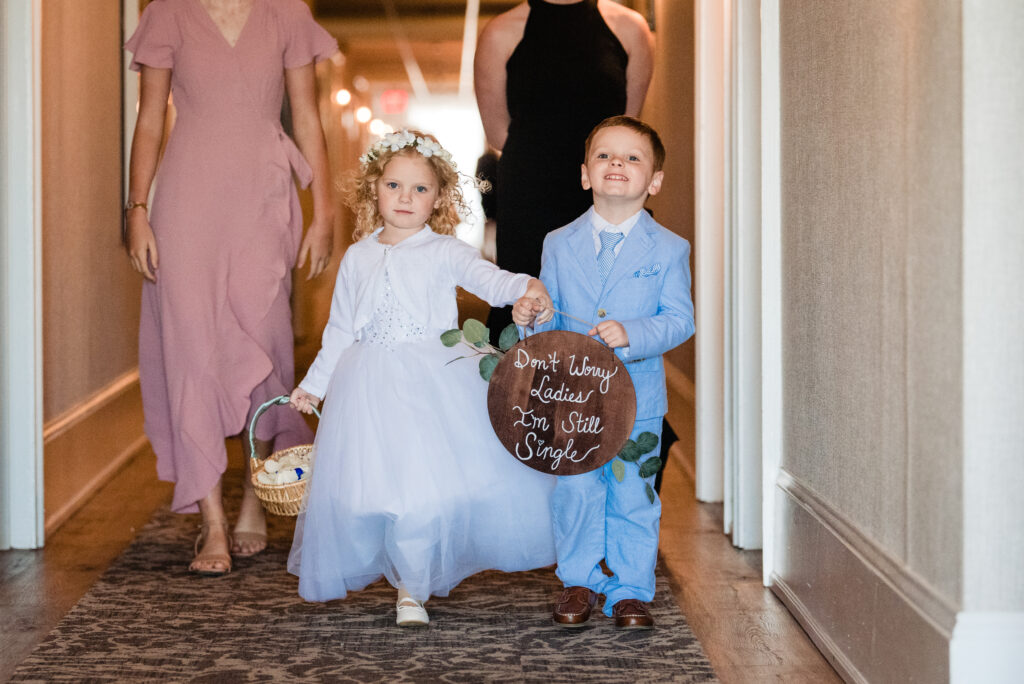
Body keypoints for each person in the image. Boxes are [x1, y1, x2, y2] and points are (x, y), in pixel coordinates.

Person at [287, 130, 557, 627]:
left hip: (432, 383)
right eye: (394, 186)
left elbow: (489, 280)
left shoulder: (444, 251)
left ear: (438, 198)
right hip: (366, 385)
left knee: (421, 489)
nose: (405, 198)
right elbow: (340, 328)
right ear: (375, 190)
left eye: (419, 189)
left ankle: (412, 588)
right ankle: (393, 570)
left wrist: (525, 287)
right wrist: (315, 384)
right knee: (370, 488)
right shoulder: (357, 257)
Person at [123, 0, 338, 576]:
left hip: (265, 197)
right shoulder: (167, 12)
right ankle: (211, 518)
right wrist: (137, 209)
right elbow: (149, 118)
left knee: (264, 345)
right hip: (186, 196)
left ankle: (254, 498)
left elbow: (308, 115)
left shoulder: (287, 13)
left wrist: (324, 213)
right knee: (193, 351)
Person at [517, 116, 695, 629]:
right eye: (604, 156)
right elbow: (550, 315)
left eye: (632, 158)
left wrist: (634, 332)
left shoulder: (669, 249)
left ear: (654, 181)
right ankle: (578, 579)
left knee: (634, 491)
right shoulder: (557, 241)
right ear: (584, 174)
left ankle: (631, 588)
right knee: (575, 490)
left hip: (637, 397)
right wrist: (532, 318)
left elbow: (680, 320)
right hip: (571, 397)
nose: (617, 164)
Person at [474, 0, 654, 339]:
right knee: (527, 305)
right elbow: (498, 132)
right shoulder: (501, 32)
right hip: (530, 194)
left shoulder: (630, 29)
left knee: (605, 306)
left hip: (603, 193)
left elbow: (628, 132)